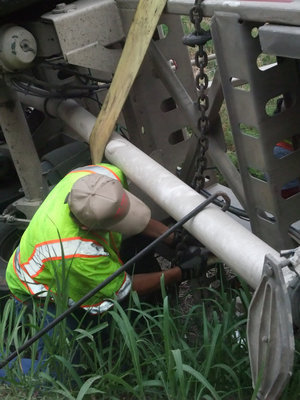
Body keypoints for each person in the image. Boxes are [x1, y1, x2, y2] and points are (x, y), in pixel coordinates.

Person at [3, 163, 206, 374]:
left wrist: (174, 236)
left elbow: (125, 213)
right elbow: (123, 287)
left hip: (56, 259)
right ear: (86, 227)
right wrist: (181, 272)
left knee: (100, 338)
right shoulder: (76, 252)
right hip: (38, 290)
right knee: (65, 371)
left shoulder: (102, 177)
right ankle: (9, 371)